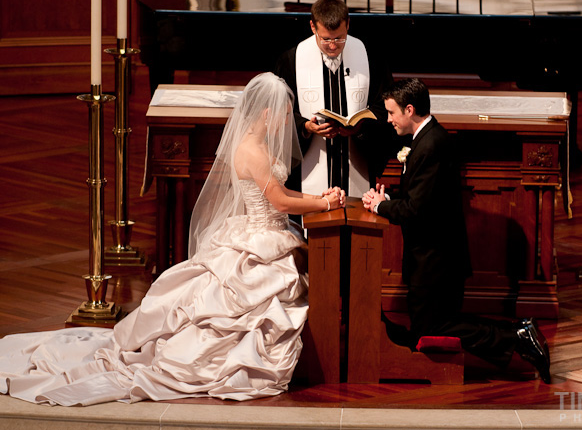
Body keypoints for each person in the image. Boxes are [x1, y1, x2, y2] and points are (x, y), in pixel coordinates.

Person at [0, 73, 345, 406]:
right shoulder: (253, 150)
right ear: (267, 112)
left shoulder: (256, 143)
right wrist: (324, 202)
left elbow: (280, 192)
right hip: (261, 237)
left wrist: (318, 197)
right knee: (251, 302)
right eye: (285, 115)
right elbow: (279, 202)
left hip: (268, 232)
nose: (287, 123)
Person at [362, 78, 551, 383]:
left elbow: (416, 210)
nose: (389, 119)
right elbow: (420, 196)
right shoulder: (426, 140)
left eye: (392, 112)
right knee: (436, 325)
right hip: (432, 257)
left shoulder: (432, 145)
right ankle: (517, 333)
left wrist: (380, 207)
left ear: (410, 110)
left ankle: (515, 336)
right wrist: (387, 198)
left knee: (434, 328)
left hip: (436, 260)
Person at [274, 0, 395, 199]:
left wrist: (361, 127)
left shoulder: (369, 58)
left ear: (348, 24)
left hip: (357, 155)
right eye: (326, 39)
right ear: (313, 26)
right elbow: (278, 109)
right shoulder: (291, 60)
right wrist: (305, 127)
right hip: (309, 160)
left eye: (339, 38)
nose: (332, 46)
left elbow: (385, 104)